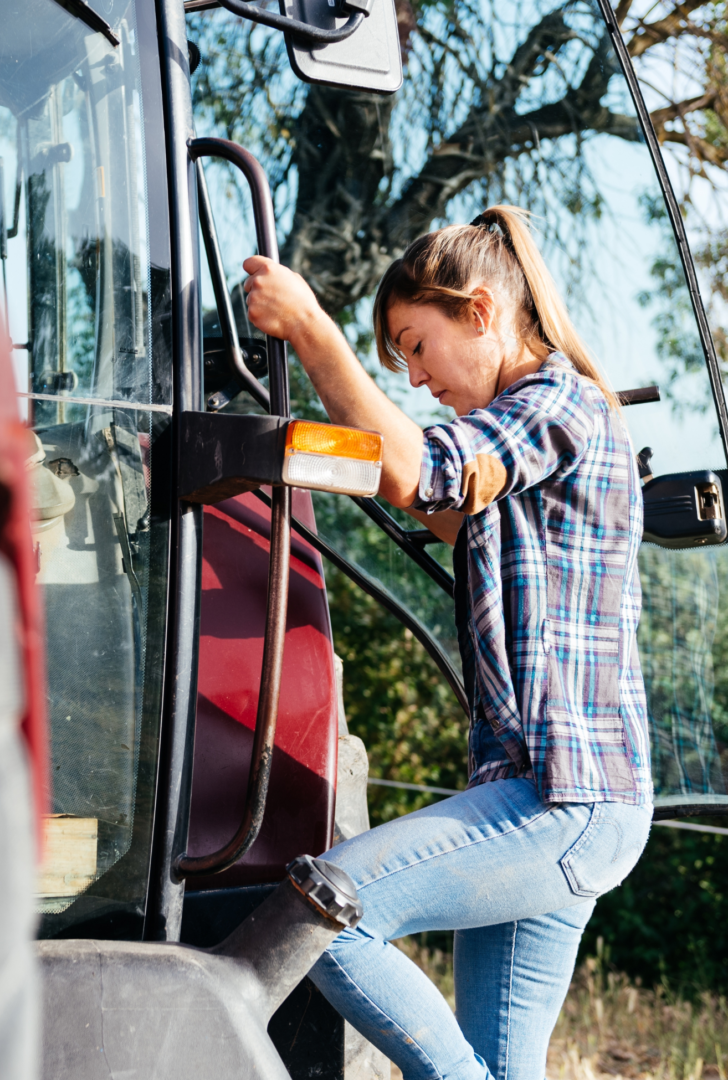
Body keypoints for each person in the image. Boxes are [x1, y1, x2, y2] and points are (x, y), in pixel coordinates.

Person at [243, 205, 652, 1080]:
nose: (417, 378)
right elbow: (420, 494)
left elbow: (421, 469)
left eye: (415, 346)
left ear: (479, 311)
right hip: (535, 794)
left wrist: (312, 329)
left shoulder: (559, 405)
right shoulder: (524, 435)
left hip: (563, 798)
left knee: (324, 916)